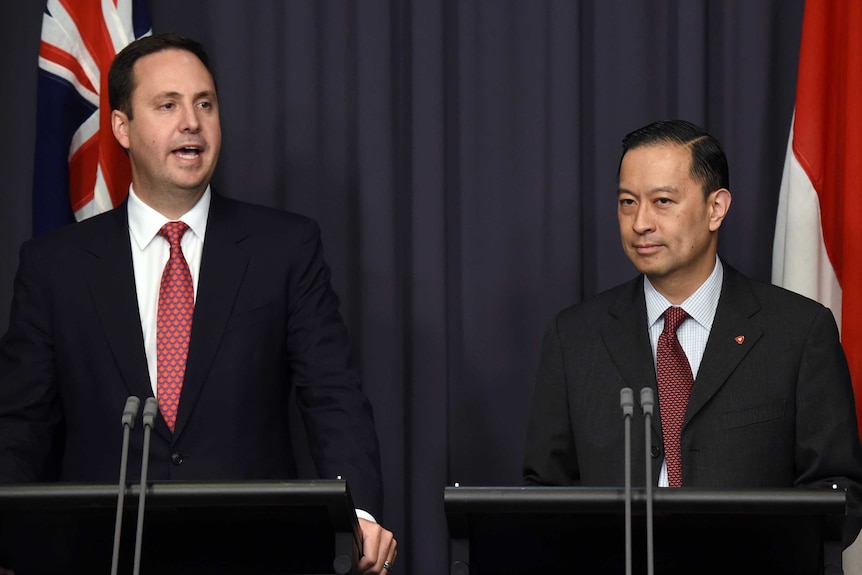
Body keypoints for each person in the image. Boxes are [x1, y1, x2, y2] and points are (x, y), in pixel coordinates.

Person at [0, 33, 396, 574]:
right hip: (101, 555)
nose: (192, 122)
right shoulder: (55, 267)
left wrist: (362, 512)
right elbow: (20, 425)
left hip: (253, 556)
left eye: (204, 104)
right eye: (168, 105)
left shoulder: (284, 248)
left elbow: (332, 396)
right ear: (122, 127)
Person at [523, 120, 862, 550]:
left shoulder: (798, 331)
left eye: (662, 201)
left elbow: (838, 494)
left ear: (716, 208)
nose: (640, 222)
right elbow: (543, 495)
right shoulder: (575, 337)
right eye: (627, 202)